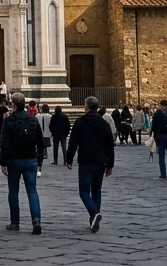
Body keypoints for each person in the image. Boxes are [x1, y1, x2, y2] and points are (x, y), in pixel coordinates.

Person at [64, 96, 115, 233]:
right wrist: (110, 164)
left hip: (86, 161)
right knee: (96, 191)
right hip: (100, 162)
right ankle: (93, 218)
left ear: (86, 107)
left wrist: (69, 159)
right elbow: (110, 145)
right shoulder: (104, 124)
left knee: (84, 192)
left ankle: (94, 213)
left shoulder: (80, 122)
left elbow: (73, 142)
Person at [0, 92, 45, 235]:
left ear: (13, 104)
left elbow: (4, 142)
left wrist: (3, 162)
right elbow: (40, 142)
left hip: (14, 160)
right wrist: (40, 161)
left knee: (13, 191)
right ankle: (36, 220)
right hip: (30, 159)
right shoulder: (32, 119)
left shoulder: (9, 120)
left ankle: (15, 222)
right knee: (32, 191)